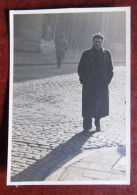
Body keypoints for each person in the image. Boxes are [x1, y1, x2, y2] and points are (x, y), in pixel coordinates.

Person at [78, 33, 113, 131]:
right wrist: (84, 80)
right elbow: (80, 68)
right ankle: (87, 126)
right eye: (96, 41)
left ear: (102, 42)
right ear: (92, 42)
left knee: (100, 104)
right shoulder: (86, 53)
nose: (97, 43)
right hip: (89, 85)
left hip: (101, 85)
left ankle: (97, 123)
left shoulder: (106, 54)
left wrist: (107, 80)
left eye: (99, 42)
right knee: (88, 104)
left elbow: (110, 69)